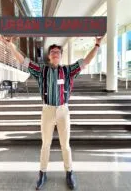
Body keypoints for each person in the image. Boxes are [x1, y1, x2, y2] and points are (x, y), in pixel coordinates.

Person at [8, 36, 104, 190]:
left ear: (61, 55)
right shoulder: (41, 70)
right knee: (45, 144)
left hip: (63, 111)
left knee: (65, 145)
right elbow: (24, 61)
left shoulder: (68, 70)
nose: (55, 54)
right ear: (49, 55)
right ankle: (42, 173)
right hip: (47, 110)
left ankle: (69, 172)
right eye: (52, 52)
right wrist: (11, 45)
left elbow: (86, 61)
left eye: (58, 52)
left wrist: (97, 45)